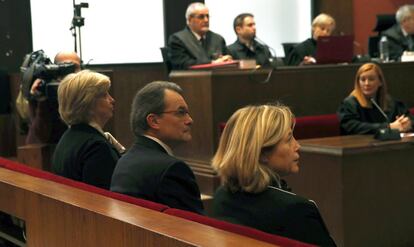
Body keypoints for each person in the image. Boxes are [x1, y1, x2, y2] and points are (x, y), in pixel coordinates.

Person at [211, 104, 336, 246]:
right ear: (263, 152)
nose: (297, 145)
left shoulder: (222, 195)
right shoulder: (296, 210)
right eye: (289, 139)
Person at [110, 81, 204, 214]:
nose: (190, 120)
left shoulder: (125, 160)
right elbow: (197, 228)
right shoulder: (172, 169)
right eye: (181, 112)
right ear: (154, 121)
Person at [52, 70, 123, 190]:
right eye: (104, 95)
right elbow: (103, 200)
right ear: (87, 101)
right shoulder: (96, 147)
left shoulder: (68, 137)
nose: (112, 100)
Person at [338, 63, 413, 135]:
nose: (367, 83)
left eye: (371, 79)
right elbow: (352, 127)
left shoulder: (390, 102)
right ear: (358, 83)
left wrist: (407, 123)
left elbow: (409, 118)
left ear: (380, 82)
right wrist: (388, 127)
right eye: (363, 80)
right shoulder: (349, 104)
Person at [26, 51, 81, 144]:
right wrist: (42, 101)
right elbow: (41, 135)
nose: (70, 72)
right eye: (64, 67)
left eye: (74, 67)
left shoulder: (86, 90)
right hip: (47, 149)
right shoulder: (44, 89)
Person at [167, 2, 232, 70]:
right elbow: (183, 64)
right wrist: (212, 63)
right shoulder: (178, 39)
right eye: (201, 17)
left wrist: (227, 59)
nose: (206, 20)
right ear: (190, 19)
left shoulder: (218, 39)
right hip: (191, 78)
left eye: (207, 16)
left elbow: (226, 58)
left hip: (218, 77)